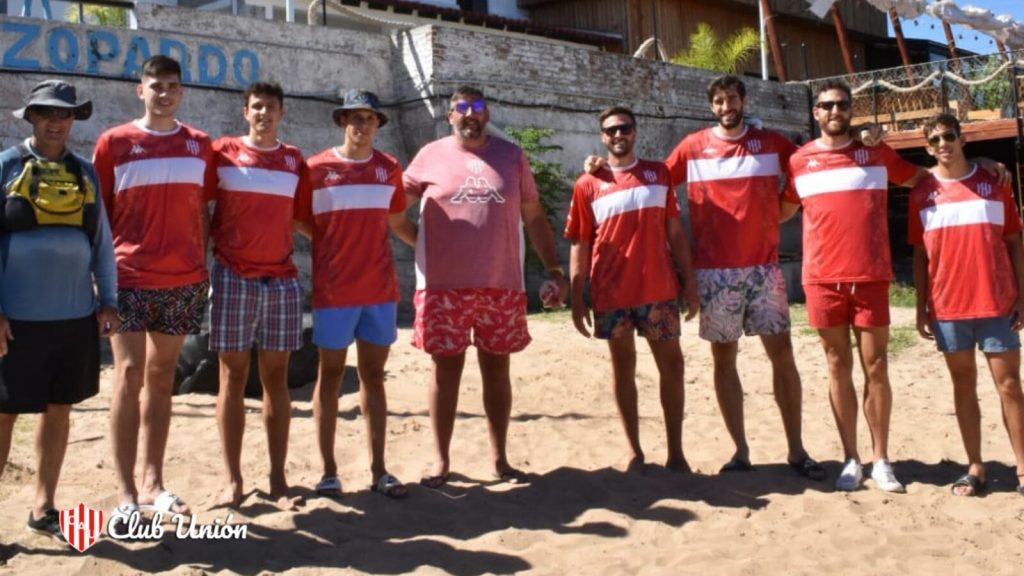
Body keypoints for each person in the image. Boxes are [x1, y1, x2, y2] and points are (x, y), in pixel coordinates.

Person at [402, 86, 568, 488]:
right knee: (446, 371)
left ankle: (500, 458)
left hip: (501, 283)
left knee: (497, 369)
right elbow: (393, 209)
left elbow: (533, 216)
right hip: (443, 286)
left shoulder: (511, 156)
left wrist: (554, 269)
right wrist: (423, 241)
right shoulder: (429, 155)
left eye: (477, 108)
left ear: (487, 113)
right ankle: (441, 461)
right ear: (450, 115)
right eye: (462, 108)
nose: (470, 115)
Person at [663, 75, 825, 479]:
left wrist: (786, 206)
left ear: (743, 100)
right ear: (711, 106)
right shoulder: (693, 146)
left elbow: (813, 162)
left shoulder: (771, 143)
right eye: (718, 101)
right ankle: (740, 452)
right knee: (724, 360)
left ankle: (796, 450)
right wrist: (599, 167)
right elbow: (653, 180)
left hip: (763, 268)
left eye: (731, 98)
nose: (725, 106)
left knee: (783, 357)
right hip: (714, 272)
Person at [783, 79, 928, 492]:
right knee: (836, 366)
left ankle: (881, 459)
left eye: (842, 104)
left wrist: (980, 167)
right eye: (826, 105)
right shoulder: (799, 161)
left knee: (876, 366)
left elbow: (920, 179)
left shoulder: (876, 152)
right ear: (816, 113)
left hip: (871, 276)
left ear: (851, 108)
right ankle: (851, 458)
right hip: (822, 279)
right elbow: (778, 211)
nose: (834, 111)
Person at [93, 55, 212, 516]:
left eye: (173, 86)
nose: (165, 93)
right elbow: (98, 216)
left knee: (163, 378)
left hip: (183, 280)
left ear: (181, 92)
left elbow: (205, 209)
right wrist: (97, 278)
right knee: (127, 376)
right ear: (140, 90)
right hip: (128, 277)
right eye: (156, 85)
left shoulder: (200, 145)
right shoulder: (115, 143)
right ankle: (124, 494)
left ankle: (153, 483)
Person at [0, 79, 119, 542]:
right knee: (5, 414)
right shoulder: (6, 167)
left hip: (73, 319)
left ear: (73, 120)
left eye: (64, 114)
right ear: (31, 116)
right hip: (17, 322)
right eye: (47, 112)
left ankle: (43, 506)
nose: (56, 121)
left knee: (59, 409)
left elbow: (102, 243)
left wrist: (108, 300)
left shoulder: (86, 173)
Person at [295, 90, 415, 499]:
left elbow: (398, 223)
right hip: (335, 291)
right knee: (329, 376)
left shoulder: (389, 168)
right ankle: (329, 471)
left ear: (379, 124)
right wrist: (331, 245)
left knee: (373, 379)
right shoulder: (316, 168)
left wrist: (438, 250)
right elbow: (302, 222)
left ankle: (380, 470)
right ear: (341, 121)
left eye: (368, 118)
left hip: (379, 291)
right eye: (353, 117)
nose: (361, 125)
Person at [566, 106, 698, 473]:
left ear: (635, 131)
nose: (618, 135)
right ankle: (634, 452)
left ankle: (676, 453)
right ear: (602, 137)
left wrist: (690, 284)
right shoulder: (587, 183)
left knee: (672, 366)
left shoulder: (659, 174)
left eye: (624, 128)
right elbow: (580, 242)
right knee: (623, 370)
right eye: (610, 130)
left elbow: (675, 232)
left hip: (658, 290)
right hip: (612, 294)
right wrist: (577, 299)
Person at [909, 113, 1024, 498]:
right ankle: (975, 467)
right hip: (948, 307)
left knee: (1010, 386)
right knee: (963, 387)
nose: (943, 143)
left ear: (962, 139)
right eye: (935, 139)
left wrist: (1023, 294)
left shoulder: (994, 181)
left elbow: (1013, 242)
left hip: (997, 302)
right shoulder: (922, 191)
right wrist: (921, 306)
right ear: (927, 147)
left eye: (949, 135)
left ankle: (1023, 466)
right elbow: (920, 257)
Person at [206, 82, 304, 509]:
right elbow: (195, 206)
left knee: (276, 380)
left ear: (282, 113)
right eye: (257, 106)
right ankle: (233, 479)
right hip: (231, 276)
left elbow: (305, 220)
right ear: (245, 111)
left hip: (282, 280)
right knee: (231, 378)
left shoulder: (295, 160)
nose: (264, 113)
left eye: (271, 107)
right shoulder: (221, 152)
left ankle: (278, 477)